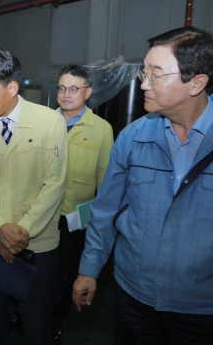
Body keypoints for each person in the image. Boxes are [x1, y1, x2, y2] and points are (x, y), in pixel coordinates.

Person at [73, 27, 213, 345]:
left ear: (197, 82)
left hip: (202, 311)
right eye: (143, 71)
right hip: (133, 299)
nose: (143, 84)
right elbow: (106, 209)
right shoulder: (134, 137)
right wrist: (89, 269)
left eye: (156, 74)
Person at [0, 48, 68, 345]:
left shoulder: (50, 123)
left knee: (37, 326)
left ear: (12, 87)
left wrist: (19, 234)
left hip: (37, 245)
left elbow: (54, 185)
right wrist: (0, 230)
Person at [52, 65, 113, 341]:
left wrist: (94, 217)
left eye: (73, 89)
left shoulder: (101, 129)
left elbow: (105, 181)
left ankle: (55, 318)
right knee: (32, 266)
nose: (66, 94)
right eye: (62, 88)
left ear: (87, 92)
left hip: (75, 217)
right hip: (41, 213)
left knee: (65, 273)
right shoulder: (44, 122)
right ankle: (24, 310)